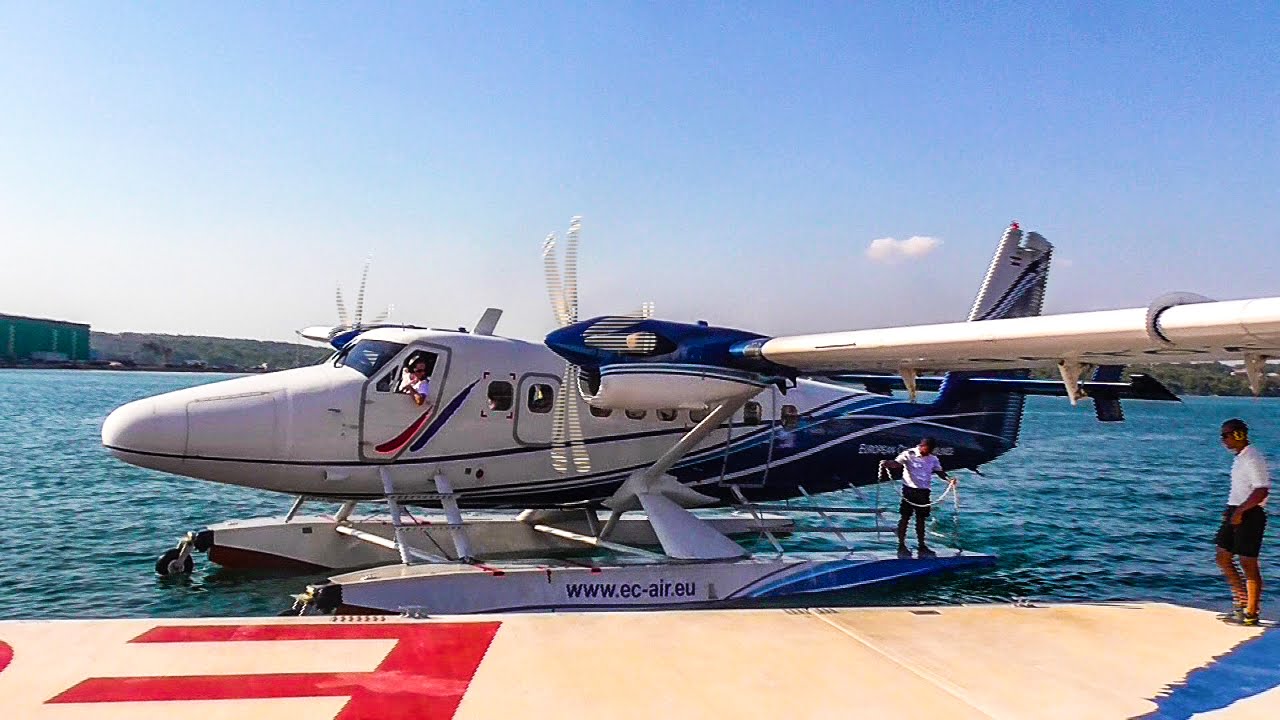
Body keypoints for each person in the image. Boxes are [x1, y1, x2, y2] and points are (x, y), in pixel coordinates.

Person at [1215, 418, 1269, 626]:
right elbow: (1240, 489)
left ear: (1238, 435)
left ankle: (1251, 613)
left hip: (1250, 513)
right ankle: (1241, 602)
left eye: (1226, 435)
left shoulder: (1252, 457)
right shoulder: (1240, 458)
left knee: (1248, 563)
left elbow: (1261, 489)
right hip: (1236, 509)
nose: (1223, 440)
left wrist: (1240, 511)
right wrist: (1230, 510)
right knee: (1222, 555)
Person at [883, 437, 952, 558]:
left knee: (921, 519)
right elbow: (897, 464)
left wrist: (949, 480)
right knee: (905, 517)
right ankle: (901, 545)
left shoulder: (933, 458)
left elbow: (939, 471)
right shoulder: (909, 454)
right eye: (926, 448)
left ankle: (922, 545)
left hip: (924, 492)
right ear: (922, 445)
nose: (928, 451)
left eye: (931, 449)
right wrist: (887, 464)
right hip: (909, 490)